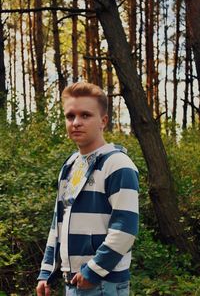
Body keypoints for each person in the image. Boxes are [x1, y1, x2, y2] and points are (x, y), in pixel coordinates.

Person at [36, 82, 139, 296]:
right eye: (70, 116)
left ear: (103, 121)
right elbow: (58, 225)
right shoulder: (70, 166)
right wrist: (46, 273)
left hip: (103, 284)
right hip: (73, 283)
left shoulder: (118, 165)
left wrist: (92, 271)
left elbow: (125, 229)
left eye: (85, 115)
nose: (76, 122)